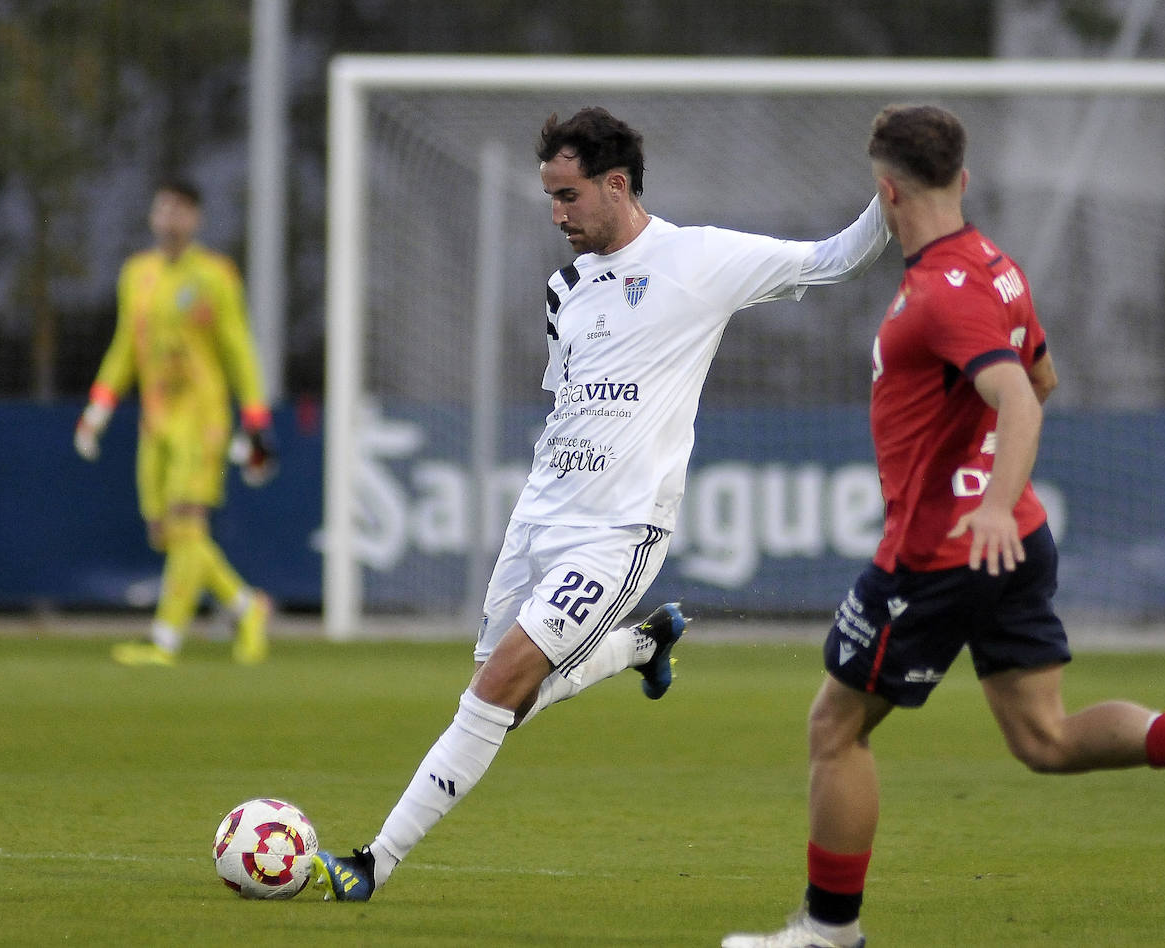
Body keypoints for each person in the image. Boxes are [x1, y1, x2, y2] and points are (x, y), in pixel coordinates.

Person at [721, 104, 1165, 948]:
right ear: (961, 180)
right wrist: (988, 479)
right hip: (1015, 544)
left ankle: (828, 933)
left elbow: (1021, 394)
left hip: (940, 553)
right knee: (1045, 738)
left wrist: (985, 499)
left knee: (834, 730)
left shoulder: (938, 294)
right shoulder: (998, 267)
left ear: (885, 193)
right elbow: (1046, 372)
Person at [310, 106, 892, 902]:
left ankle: (374, 860)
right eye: (550, 197)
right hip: (539, 516)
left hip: (619, 530)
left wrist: (890, 184)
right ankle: (641, 648)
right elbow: (572, 402)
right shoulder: (564, 291)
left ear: (616, 185)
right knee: (503, 702)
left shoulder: (701, 260)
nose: (556, 215)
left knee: (493, 693)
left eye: (568, 196)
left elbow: (837, 259)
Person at [75, 178, 278, 667]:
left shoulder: (214, 275)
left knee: (188, 524)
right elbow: (127, 345)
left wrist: (254, 419)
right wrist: (99, 406)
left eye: (182, 210)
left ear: (196, 220)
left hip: (202, 419)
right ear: (152, 215)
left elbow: (237, 347)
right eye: (164, 208)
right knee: (167, 533)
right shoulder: (136, 274)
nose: (171, 218)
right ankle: (246, 606)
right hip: (155, 422)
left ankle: (165, 639)